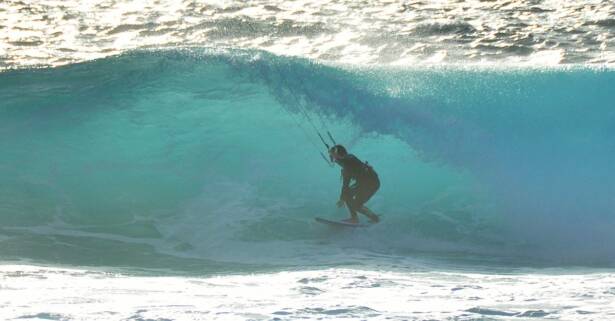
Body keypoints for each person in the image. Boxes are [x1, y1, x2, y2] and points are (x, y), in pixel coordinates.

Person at [328, 144, 380, 224]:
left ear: (340, 156)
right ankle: (355, 218)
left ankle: (375, 219)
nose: (333, 159)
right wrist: (335, 154)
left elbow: (345, 184)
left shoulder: (348, 163)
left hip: (371, 184)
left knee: (356, 205)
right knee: (347, 195)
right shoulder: (348, 159)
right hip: (364, 182)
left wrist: (342, 198)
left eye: (333, 157)